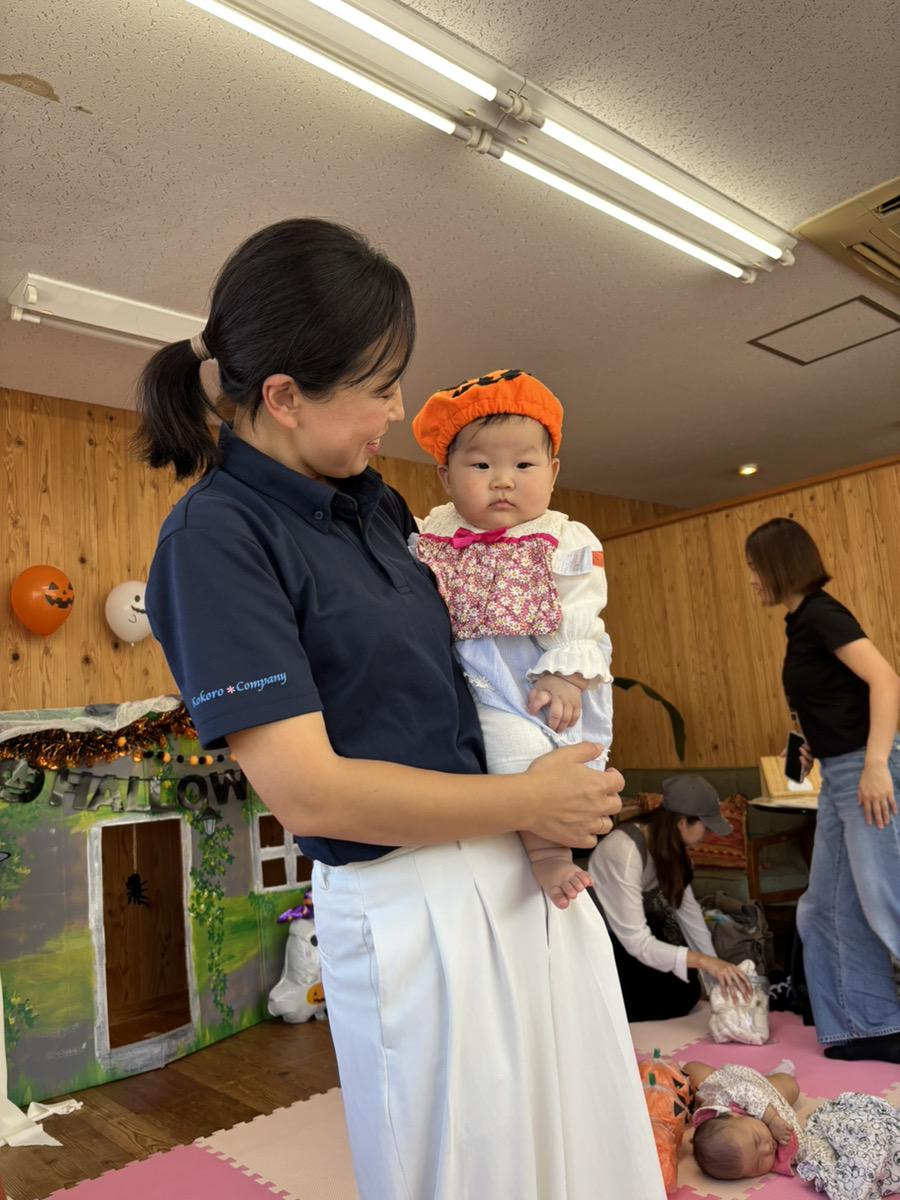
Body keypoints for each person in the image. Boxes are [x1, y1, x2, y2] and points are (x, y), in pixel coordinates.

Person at [135, 218, 667, 1200]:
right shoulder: (216, 539)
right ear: (285, 397)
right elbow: (313, 795)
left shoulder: (375, 504)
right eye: (379, 387)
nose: (398, 408)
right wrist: (528, 805)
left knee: (581, 1141)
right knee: (468, 1170)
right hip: (411, 896)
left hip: (521, 865)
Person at [411, 368, 612, 908]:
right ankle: (548, 855)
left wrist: (566, 672)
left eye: (523, 465)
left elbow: (581, 603)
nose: (503, 479)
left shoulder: (562, 534)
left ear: (553, 471)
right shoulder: (434, 532)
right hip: (480, 681)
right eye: (480, 465)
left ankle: (556, 842)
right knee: (514, 752)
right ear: (445, 477)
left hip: (544, 670)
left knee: (567, 752)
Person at [746, 517, 900, 1064]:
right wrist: (810, 746)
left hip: (866, 771)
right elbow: (836, 698)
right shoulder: (799, 624)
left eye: (753, 568)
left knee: (888, 901)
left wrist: (877, 763)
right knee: (823, 912)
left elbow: (886, 680)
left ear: (777, 565)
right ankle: (867, 1025)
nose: (751, 580)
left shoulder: (822, 614)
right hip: (839, 771)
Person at [588, 774, 754, 1020]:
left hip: (627, 939)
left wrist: (714, 980)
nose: (707, 835)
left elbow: (691, 918)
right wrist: (705, 963)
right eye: (705, 827)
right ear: (682, 823)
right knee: (676, 994)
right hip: (598, 943)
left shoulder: (673, 852)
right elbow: (637, 942)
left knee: (687, 985)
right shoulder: (624, 851)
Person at [686, 1058, 900, 1195]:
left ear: (735, 1116)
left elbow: (745, 1090)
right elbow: (814, 1148)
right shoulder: (789, 1143)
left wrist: (771, 1120)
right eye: (759, 1163)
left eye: (757, 1140)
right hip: (772, 1091)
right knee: (791, 1087)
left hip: (727, 1083)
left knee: (692, 1069)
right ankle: (777, 1074)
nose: (767, 1148)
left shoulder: (731, 1101)